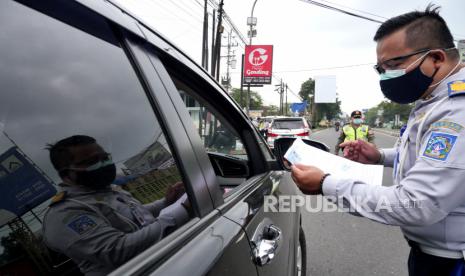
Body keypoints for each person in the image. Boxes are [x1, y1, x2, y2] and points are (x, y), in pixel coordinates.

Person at [291, 5, 465, 275]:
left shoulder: (457, 110)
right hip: (434, 253)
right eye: (380, 69)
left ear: (437, 59)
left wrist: (326, 184)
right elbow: (428, 154)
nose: (386, 76)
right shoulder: (434, 100)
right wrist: (379, 156)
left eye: (394, 66)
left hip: (454, 262)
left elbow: (415, 205)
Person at [42, 135, 191, 275]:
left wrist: (166, 202)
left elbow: (137, 216)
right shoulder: (64, 213)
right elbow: (116, 250)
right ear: (66, 174)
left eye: (105, 157)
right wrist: (184, 210)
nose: (103, 164)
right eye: (92, 162)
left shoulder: (107, 189)